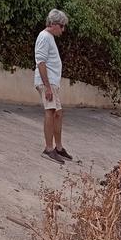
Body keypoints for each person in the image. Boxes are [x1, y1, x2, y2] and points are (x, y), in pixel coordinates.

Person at [34, 9, 72, 165]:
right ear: (54, 24)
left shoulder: (49, 37)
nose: (63, 30)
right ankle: (48, 149)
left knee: (58, 113)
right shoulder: (44, 37)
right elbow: (40, 62)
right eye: (62, 26)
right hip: (47, 83)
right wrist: (48, 87)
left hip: (52, 83)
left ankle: (58, 147)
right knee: (50, 112)